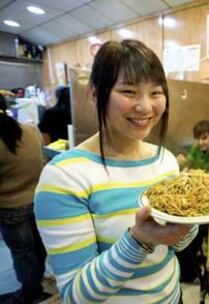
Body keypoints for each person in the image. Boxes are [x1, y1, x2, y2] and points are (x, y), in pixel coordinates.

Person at [34, 40, 198, 303]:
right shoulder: (64, 177)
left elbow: (176, 245)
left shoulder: (165, 161)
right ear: (96, 94)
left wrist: (192, 218)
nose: (145, 107)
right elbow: (77, 295)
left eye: (155, 93)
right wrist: (138, 240)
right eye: (129, 91)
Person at [0, 94, 49, 303]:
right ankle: (37, 284)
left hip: (10, 207)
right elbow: (42, 159)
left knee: (23, 253)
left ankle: (31, 293)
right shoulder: (31, 130)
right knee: (38, 247)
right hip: (38, 201)